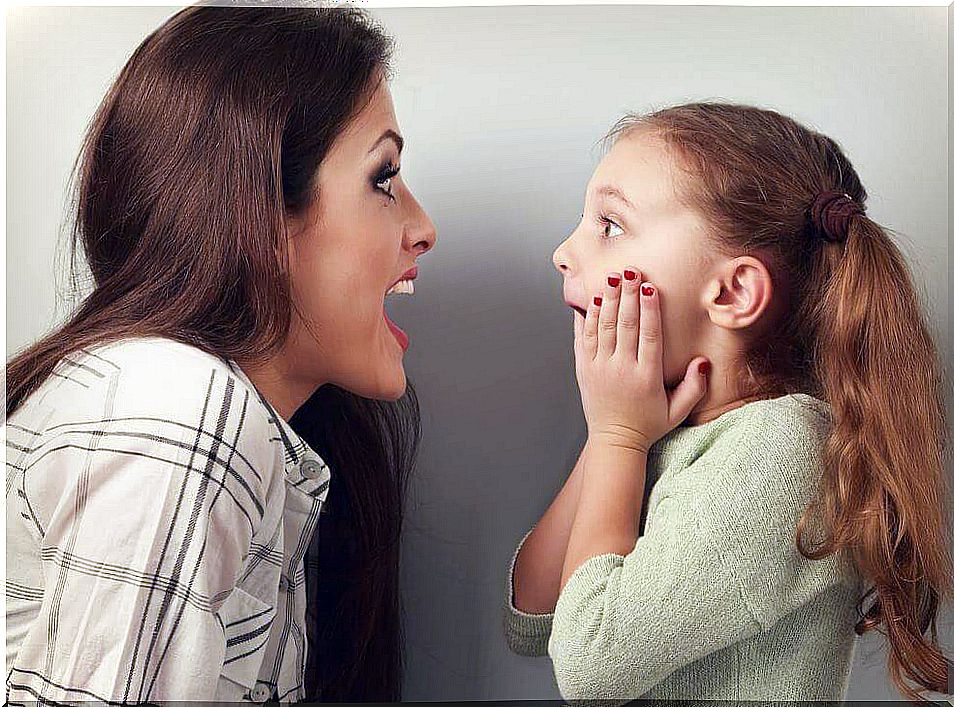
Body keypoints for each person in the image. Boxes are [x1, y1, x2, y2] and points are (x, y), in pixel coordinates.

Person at [5, 5, 435, 703]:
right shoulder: (177, 412)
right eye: (383, 178)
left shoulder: (226, 422)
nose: (423, 227)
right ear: (260, 213)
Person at [504, 102, 952, 703]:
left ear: (733, 292)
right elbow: (533, 620)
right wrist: (613, 434)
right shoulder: (664, 429)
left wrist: (619, 437)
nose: (563, 251)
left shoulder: (781, 451)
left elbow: (590, 661)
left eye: (609, 225)